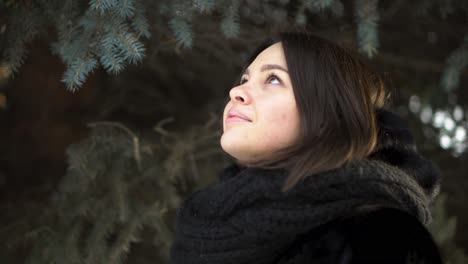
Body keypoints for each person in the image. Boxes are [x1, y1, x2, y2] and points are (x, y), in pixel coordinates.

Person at [169, 31, 443, 263]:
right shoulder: (203, 229)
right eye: (244, 79)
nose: (236, 92)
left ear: (326, 116)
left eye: (273, 79)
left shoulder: (382, 236)